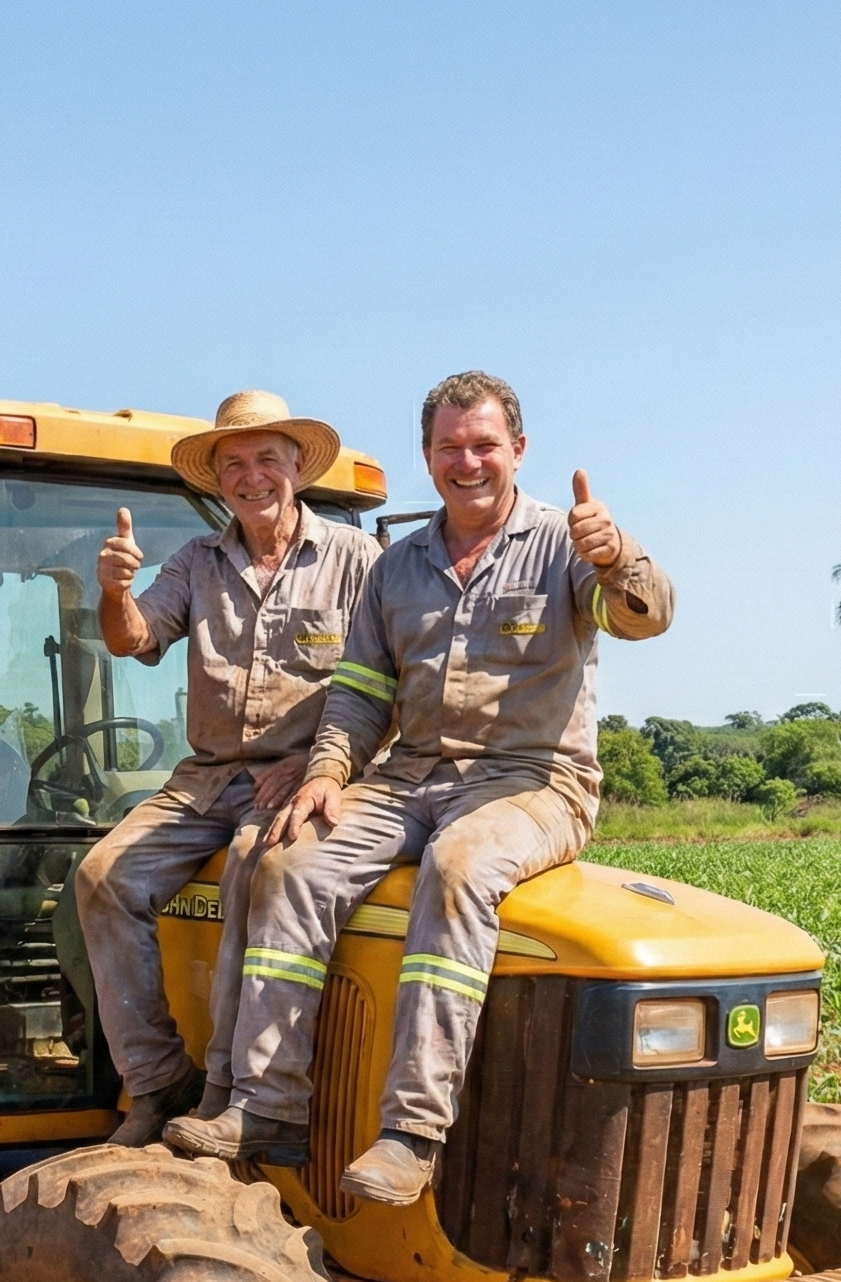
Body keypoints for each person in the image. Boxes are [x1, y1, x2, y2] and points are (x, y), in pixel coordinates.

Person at [168, 369, 674, 1198]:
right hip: (410, 777)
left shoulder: (564, 543)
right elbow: (363, 692)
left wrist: (620, 560)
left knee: (459, 866)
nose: (466, 462)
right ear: (428, 456)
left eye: (483, 445)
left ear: (518, 450)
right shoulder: (396, 567)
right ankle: (269, 1105)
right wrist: (328, 769)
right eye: (449, 448)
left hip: (533, 780)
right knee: (288, 860)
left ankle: (410, 1130)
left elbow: (641, 616)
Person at [74, 390, 379, 1148]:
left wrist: (320, 763)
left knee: (255, 863)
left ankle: (230, 1097)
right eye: (234, 464)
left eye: (266, 460)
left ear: (297, 468)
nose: (251, 477)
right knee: (102, 878)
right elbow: (132, 637)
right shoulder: (197, 562)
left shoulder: (356, 560)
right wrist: (113, 590)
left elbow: (398, 678)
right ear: (217, 480)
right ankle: (155, 1083)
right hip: (207, 776)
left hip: (303, 773)